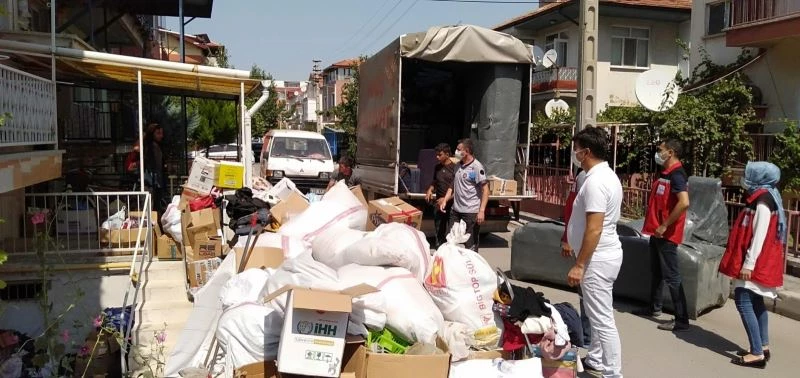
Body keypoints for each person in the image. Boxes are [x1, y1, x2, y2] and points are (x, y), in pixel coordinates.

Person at [565, 127, 624, 378]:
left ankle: (613, 373)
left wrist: (580, 264)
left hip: (596, 259)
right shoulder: (604, 176)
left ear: (586, 151)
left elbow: (594, 228)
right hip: (603, 255)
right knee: (597, 312)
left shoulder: (597, 183)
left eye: (576, 149)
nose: (574, 153)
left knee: (602, 320)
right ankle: (597, 359)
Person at [719, 161, 786, 369]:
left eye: (749, 174)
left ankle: (756, 353)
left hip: (756, 261)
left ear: (760, 177)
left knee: (743, 300)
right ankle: (762, 346)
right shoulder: (763, 196)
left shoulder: (764, 201)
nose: (745, 178)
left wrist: (748, 264)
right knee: (756, 301)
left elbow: (759, 236)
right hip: (758, 260)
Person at [634, 139, 691, 332]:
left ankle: (682, 319)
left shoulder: (677, 175)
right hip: (656, 231)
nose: (658, 153)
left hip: (666, 234)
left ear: (671, 152)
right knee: (657, 271)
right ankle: (654, 307)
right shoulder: (666, 173)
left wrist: (665, 225)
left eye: (661, 150)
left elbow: (684, 202)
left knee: (672, 276)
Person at [561, 167, 592, 348]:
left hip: (583, 244)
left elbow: (581, 214)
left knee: (586, 292)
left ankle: (588, 337)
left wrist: (568, 239)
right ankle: (587, 335)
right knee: (584, 292)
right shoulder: (582, 174)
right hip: (578, 241)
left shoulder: (586, 176)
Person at [441, 138, 488, 252]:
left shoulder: (477, 167)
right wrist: (445, 200)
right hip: (455, 211)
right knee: (451, 241)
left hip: (470, 212)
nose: (456, 152)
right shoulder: (458, 165)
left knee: (470, 245)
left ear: (466, 151)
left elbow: (486, 190)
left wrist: (481, 211)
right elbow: (452, 186)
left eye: (458, 149)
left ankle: (471, 263)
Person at [425, 143, 456, 248]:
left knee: (452, 232)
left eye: (440, 155)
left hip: (452, 205)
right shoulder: (437, 167)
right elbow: (435, 181)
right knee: (439, 230)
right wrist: (430, 189)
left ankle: (450, 250)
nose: (437, 157)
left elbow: (458, 189)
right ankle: (439, 249)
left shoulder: (455, 168)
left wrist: (445, 199)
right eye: (437, 154)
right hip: (439, 204)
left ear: (447, 154)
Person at [143, 123, 166, 212]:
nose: (161, 136)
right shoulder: (152, 147)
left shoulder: (153, 146)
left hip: (154, 180)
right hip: (152, 181)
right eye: (158, 133)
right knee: (153, 205)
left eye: (162, 133)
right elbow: (156, 165)